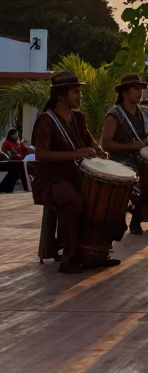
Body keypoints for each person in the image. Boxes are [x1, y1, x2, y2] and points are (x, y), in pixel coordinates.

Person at [31, 71, 108, 274]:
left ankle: (93, 252)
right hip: (51, 180)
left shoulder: (78, 118)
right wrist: (75, 153)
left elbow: (89, 140)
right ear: (61, 95)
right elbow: (41, 154)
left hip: (75, 175)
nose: (80, 95)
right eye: (76, 92)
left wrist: (99, 151)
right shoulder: (46, 121)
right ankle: (68, 256)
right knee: (74, 201)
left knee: (97, 199)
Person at [101, 73, 148, 234]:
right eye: (136, 89)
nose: (140, 92)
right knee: (139, 178)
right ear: (125, 93)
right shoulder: (114, 115)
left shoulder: (146, 112)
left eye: (141, 89)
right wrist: (130, 147)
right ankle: (133, 216)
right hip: (121, 160)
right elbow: (106, 144)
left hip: (142, 158)